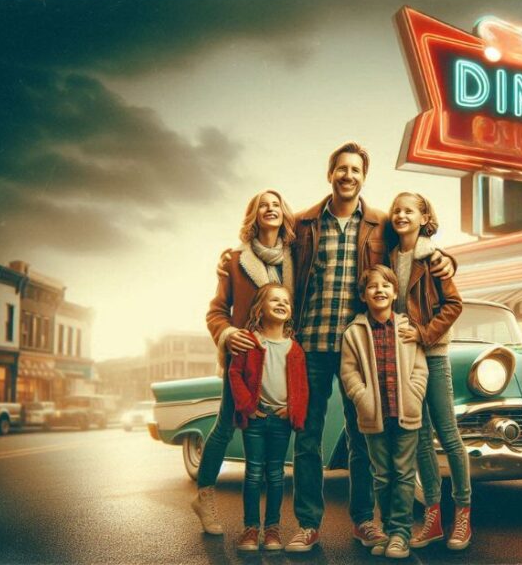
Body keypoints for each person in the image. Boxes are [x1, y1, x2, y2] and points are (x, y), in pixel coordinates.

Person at [218, 142, 455, 552]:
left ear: (364, 177)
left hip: (357, 346)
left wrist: (446, 258)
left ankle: (364, 521)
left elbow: (414, 244)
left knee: (362, 436)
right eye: (341, 169)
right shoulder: (304, 222)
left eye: (356, 170)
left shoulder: (380, 224)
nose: (348, 176)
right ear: (331, 174)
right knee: (308, 439)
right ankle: (308, 525)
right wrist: (231, 257)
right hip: (308, 345)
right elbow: (265, 242)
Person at [195, 189, 295, 535]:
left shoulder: (294, 257)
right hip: (246, 356)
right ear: (253, 215)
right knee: (225, 425)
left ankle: (270, 526)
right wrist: (227, 334)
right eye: (262, 205)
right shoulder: (235, 259)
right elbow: (216, 310)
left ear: (284, 213)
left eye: (276, 204)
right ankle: (205, 496)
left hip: (282, 354)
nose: (270, 209)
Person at [384, 192, 472, 550]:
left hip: (432, 353)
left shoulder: (432, 257)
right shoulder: (390, 256)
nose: (400, 215)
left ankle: (463, 514)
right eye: (396, 210)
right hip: (405, 358)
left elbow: (454, 304)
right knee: (419, 437)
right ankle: (433, 518)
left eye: (409, 210)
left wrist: (423, 334)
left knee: (448, 434)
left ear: (424, 217)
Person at [339, 265, 428, 559]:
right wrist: (362, 397)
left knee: (403, 473)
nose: (379, 290)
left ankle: (401, 534)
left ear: (394, 292)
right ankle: (389, 531)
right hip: (373, 416)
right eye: (372, 286)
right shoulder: (354, 332)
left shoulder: (406, 327)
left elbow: (420, 369)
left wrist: (414, 395)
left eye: (386, 285)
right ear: (363, 296)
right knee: (382, 475)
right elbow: (348, 372)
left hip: (406, 412)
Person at [226, 283, 309, 552]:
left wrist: (294, 410)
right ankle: (250, 529)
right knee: (253, 474)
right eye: (274, 299)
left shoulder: (294, 349)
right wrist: (247, 407)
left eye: (286, 300)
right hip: (256, 419)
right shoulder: (249, 342)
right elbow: (234, 374)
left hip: (281, 421)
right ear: (260, 309)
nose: (281, 303)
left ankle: (272, 529)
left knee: (275, 475)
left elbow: (302, 386)